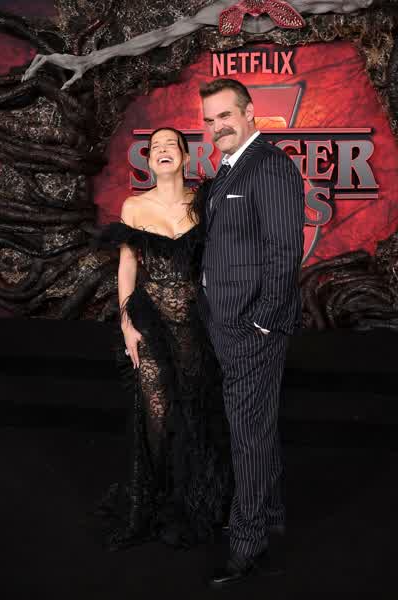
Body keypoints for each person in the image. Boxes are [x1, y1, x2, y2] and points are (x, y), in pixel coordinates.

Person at [97, 127, 232, 550]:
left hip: (194, 322)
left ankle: (191, 502)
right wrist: (126, 324)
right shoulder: (135, 206)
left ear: (186, 157)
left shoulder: (203, 203)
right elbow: (127, 266)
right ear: (149, 161)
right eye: (155, 147)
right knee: (156, 412)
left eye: (170, 145)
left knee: (194, 410)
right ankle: (153, 503)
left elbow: (219, 262)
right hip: (149, 320)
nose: (162, 150)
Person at [198, 78, 305, 588]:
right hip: (225, 321)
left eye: (225, 115)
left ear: (249, 113)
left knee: (248, 436)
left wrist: (262, 321)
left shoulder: (270, 166)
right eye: (209, 120)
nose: (217, 126)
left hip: (252, 327)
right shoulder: (227, 169)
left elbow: (285, 252)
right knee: (255, 428)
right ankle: (272, 513)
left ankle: (247, 543)